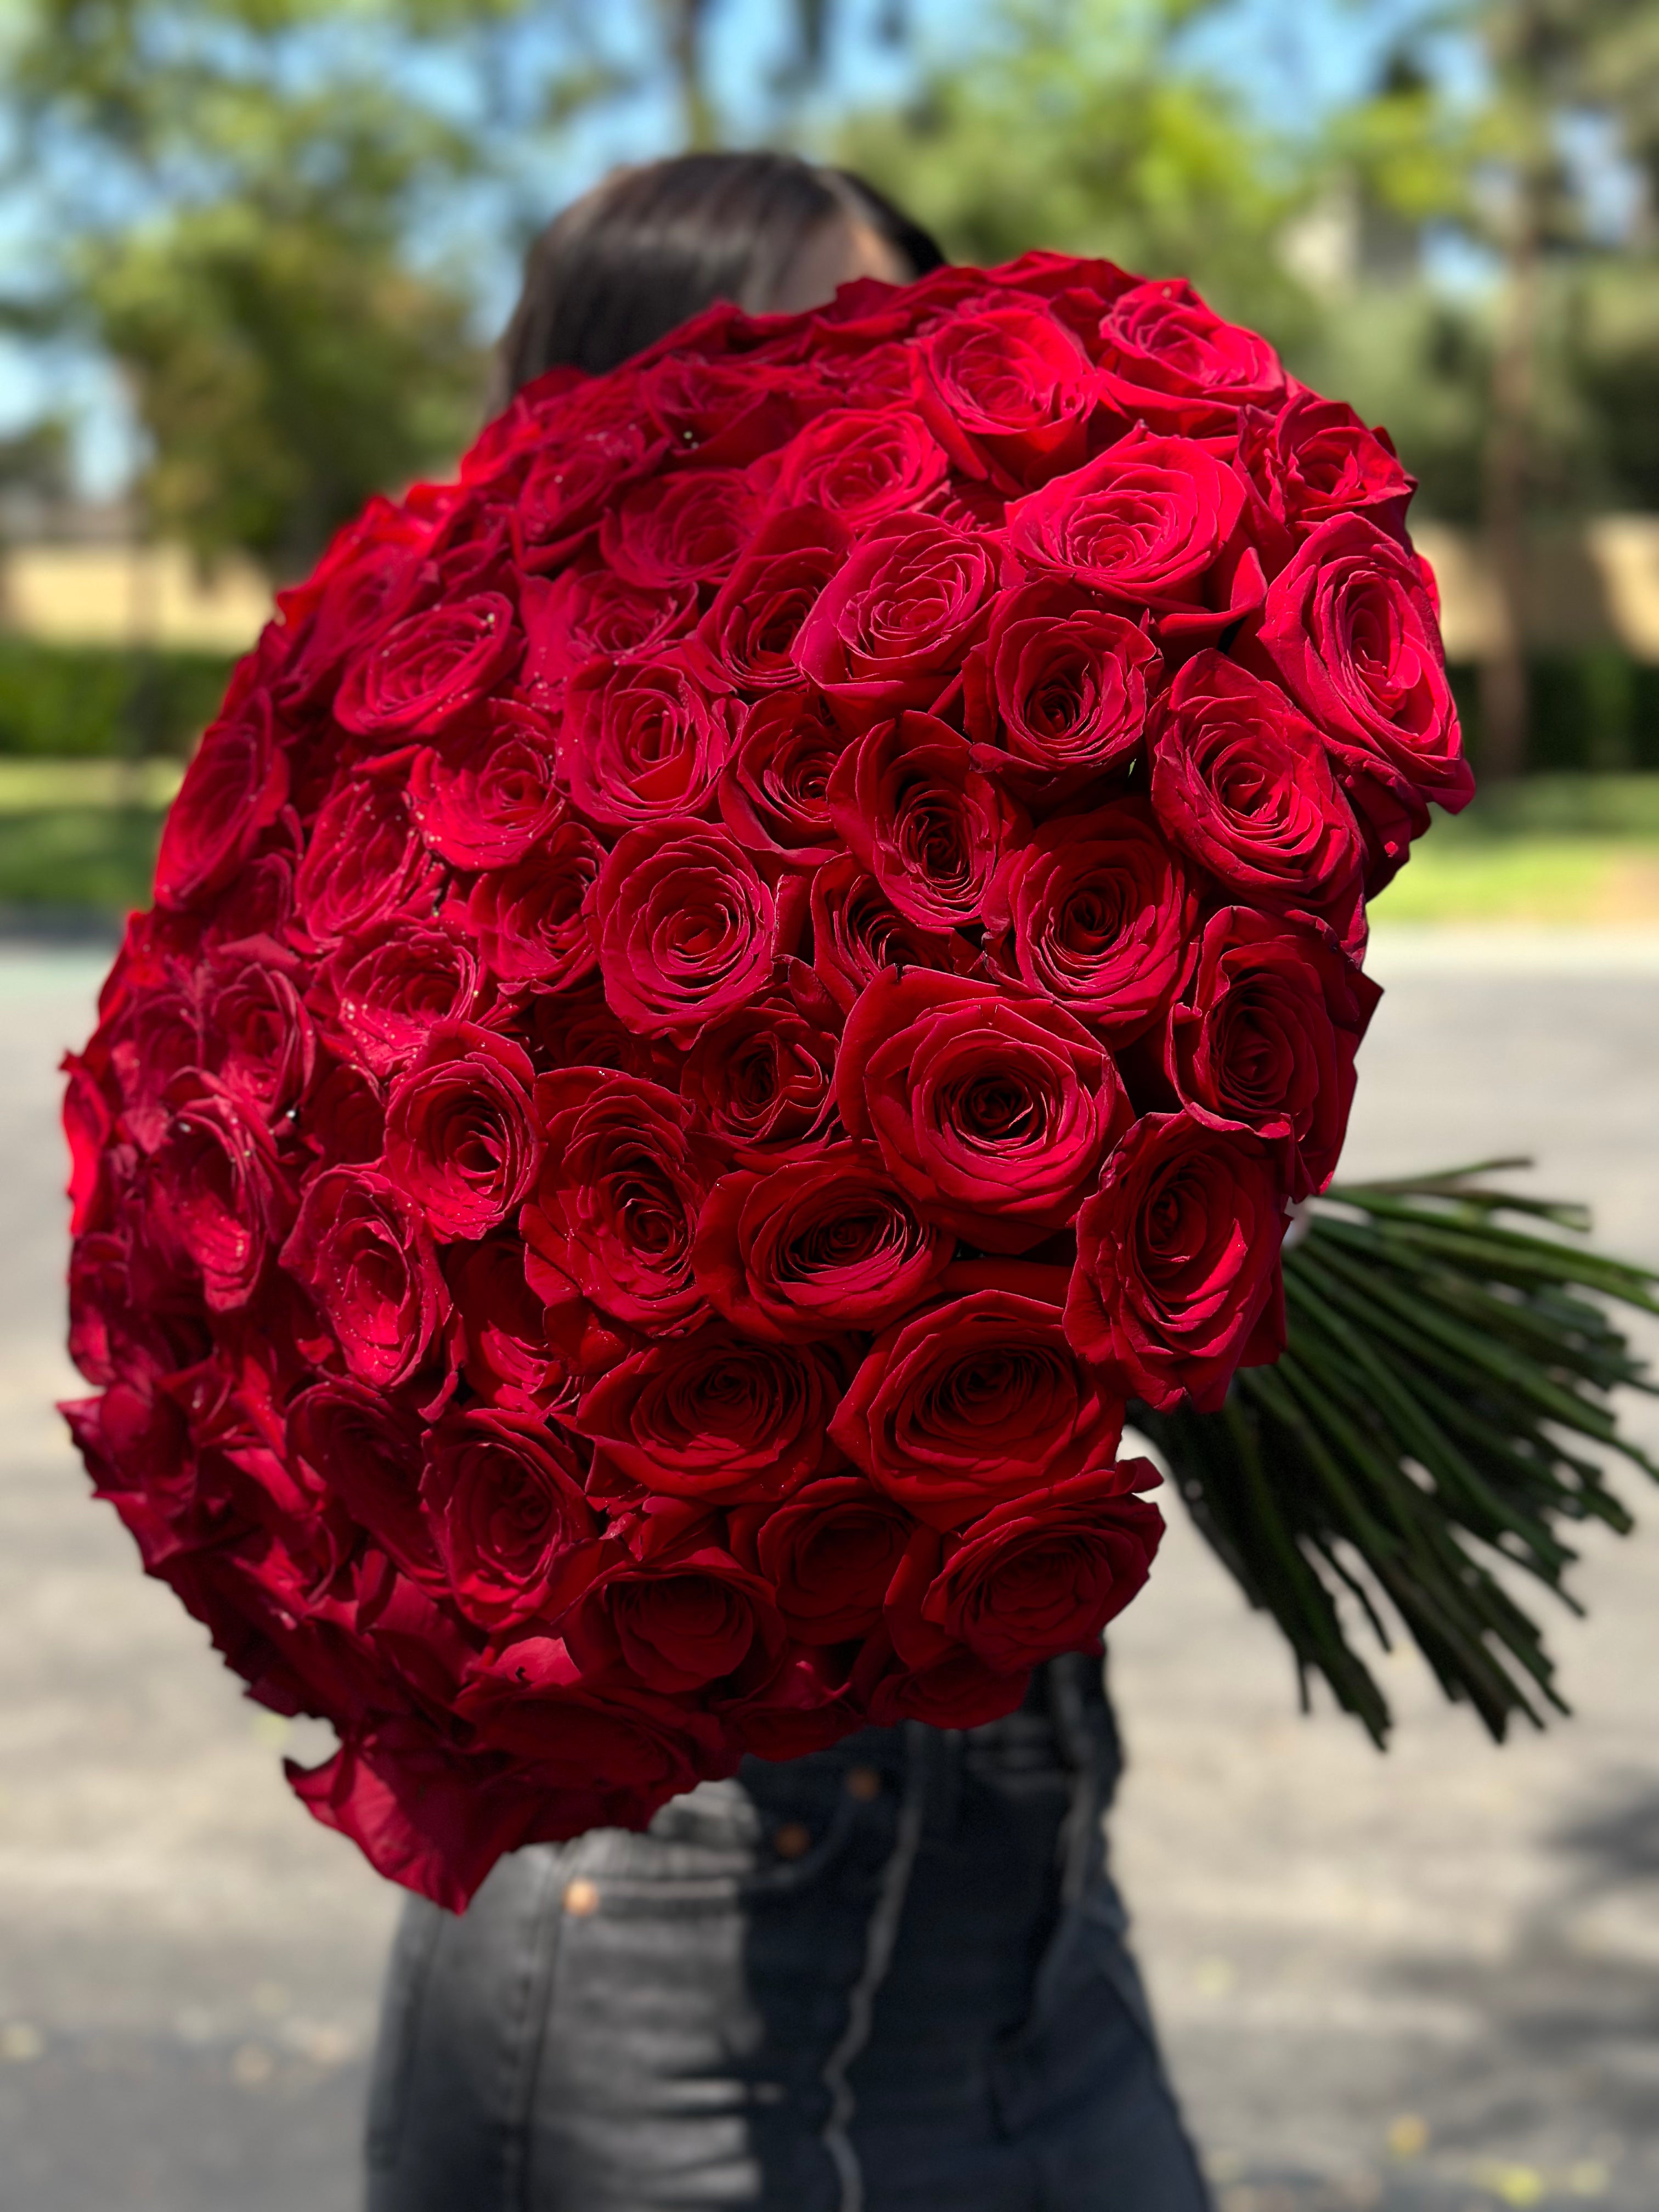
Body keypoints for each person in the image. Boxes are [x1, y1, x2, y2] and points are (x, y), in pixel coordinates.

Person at [364, 150, 1214, 2212]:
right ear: (639, 419)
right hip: (679, 1952)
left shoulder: (956, 788)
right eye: (851, 357)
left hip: (1022, 1921)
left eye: (946, 341)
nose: (933, 414)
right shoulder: (498, 877)